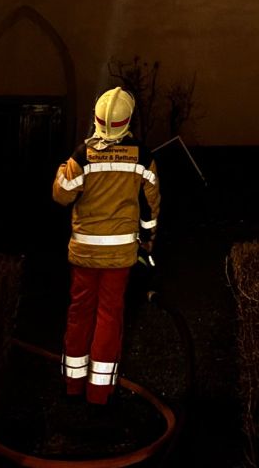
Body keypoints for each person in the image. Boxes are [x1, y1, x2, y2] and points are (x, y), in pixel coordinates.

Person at [52, 87, 160, 404]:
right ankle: (99, 392)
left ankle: (72, 385)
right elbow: (151, 206)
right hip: (120, 254)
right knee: (110, 316)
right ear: (128, 120)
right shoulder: (142, 156)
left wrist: (64, 167)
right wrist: (148, 240)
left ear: (97, 119)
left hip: (84, 253)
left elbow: (61, 195)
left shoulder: (82, 155)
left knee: (79, 313)